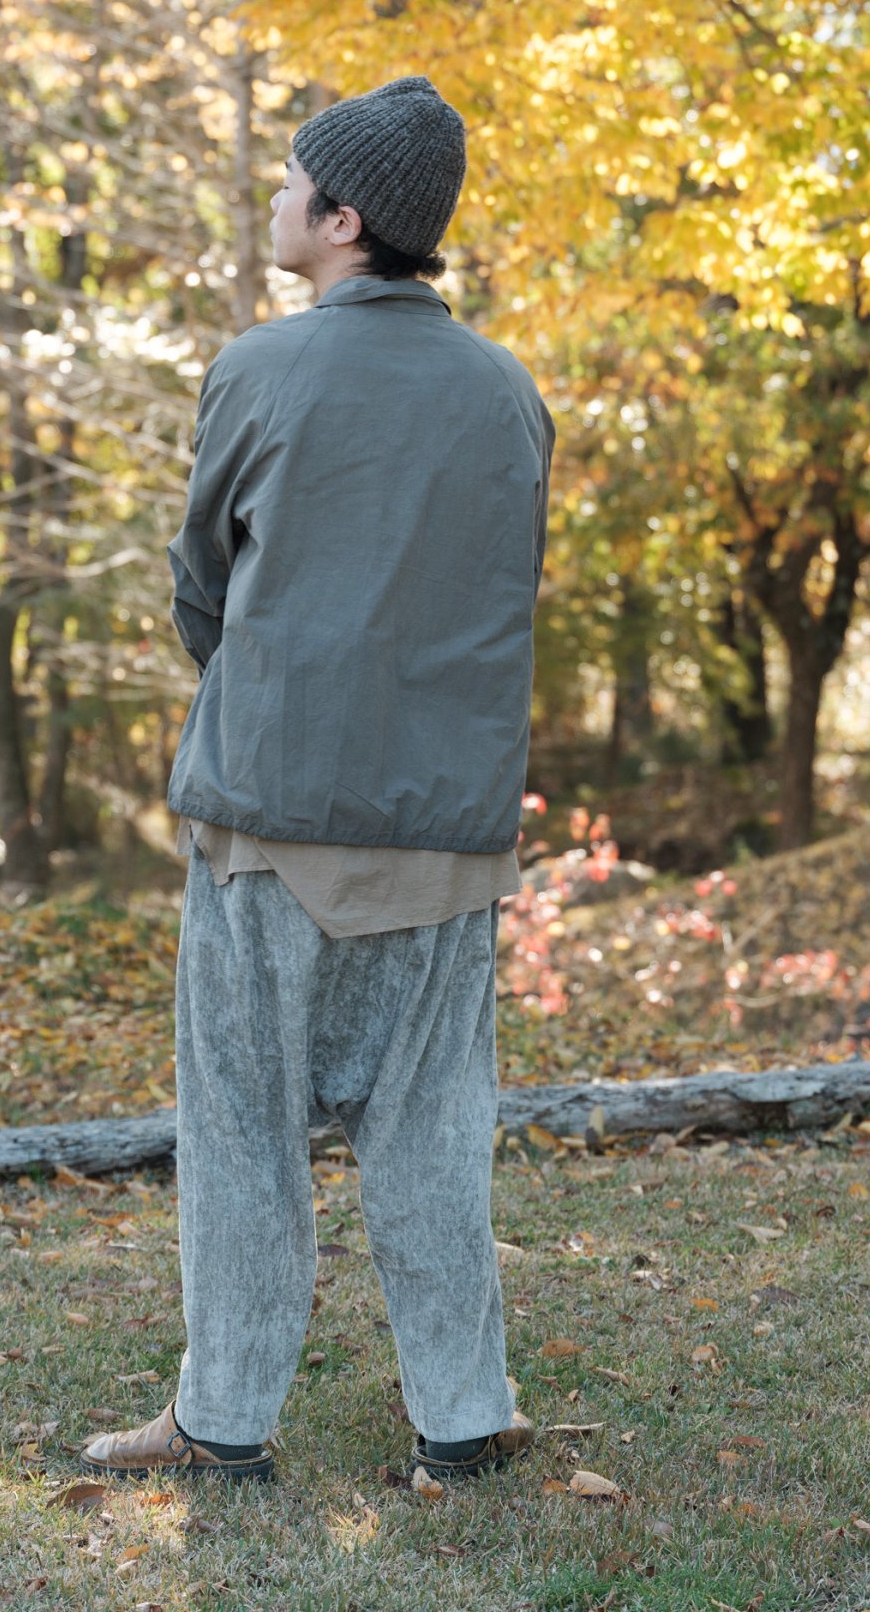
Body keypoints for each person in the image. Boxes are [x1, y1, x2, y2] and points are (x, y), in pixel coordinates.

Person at [79, 75, 555, 1485]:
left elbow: (199, 587)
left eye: (294, 182)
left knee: (241, 1137)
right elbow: (493, 599)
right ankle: (462, 1426)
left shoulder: (261, 368)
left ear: (342, 220)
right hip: (448, 835)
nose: (276, 199)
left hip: (269, 825)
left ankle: (223, 1424)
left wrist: (266, 692)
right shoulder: (508, 392)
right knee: (430, 1141)